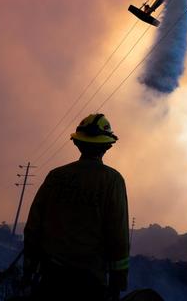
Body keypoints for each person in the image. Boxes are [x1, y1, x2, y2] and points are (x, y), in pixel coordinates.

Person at [24, 113, 130, 301]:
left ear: (77, 143)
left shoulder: (56, 176)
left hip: (51, 279)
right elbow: (118, 237)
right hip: (89, 283)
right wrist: (117, 283)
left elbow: (33, 226)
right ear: (107, 146)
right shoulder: (112, 181)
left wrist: (29, 269)